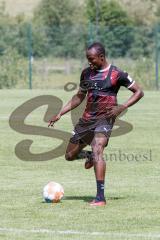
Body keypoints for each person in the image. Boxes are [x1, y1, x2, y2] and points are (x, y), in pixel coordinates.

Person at [48, 42, 144, 206]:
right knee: (69, 156)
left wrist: (122, 107)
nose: (89, 63)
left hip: (105, 118)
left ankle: (100, 197)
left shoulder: (117, 74)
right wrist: (60, 113)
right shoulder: (86, 73)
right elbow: (79, 96)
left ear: (101, 57)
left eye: (92, 59)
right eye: (87, 59)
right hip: (86, 119)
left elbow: (139, 92)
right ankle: (89, 156)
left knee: (97, 147)